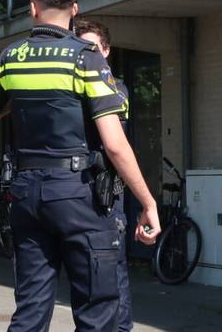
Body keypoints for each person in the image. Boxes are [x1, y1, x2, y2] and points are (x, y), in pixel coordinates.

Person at [0, 0, 159, 332]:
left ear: (33, 9)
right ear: (74, 9)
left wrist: (15, 98)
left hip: (26, 193)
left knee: (31, 311)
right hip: (78, 194)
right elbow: (115, 144)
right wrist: (147, 202)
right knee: (97, 312)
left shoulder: (10, 57)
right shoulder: (86, 58)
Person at [74, 18, 133, 332]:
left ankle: (121, 328)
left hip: (106, 191)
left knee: (112, 268)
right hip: (77, 190)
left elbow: (113, 142)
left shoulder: (115, 90)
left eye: (94, 48)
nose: (89, 56)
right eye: (83, 49)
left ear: (107, 51)